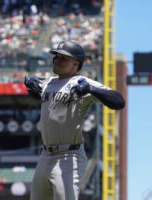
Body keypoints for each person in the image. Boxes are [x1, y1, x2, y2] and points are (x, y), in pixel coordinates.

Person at [24, 40, 125, 200]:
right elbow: (52, 106)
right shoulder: (48, 82)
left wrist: (92, 89)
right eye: (56, 56)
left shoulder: (81, 83)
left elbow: (119, 101)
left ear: (75, 64)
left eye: (64, 58)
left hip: (68, 156)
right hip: (44, 156)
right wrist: (31, 88)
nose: (57, 60)